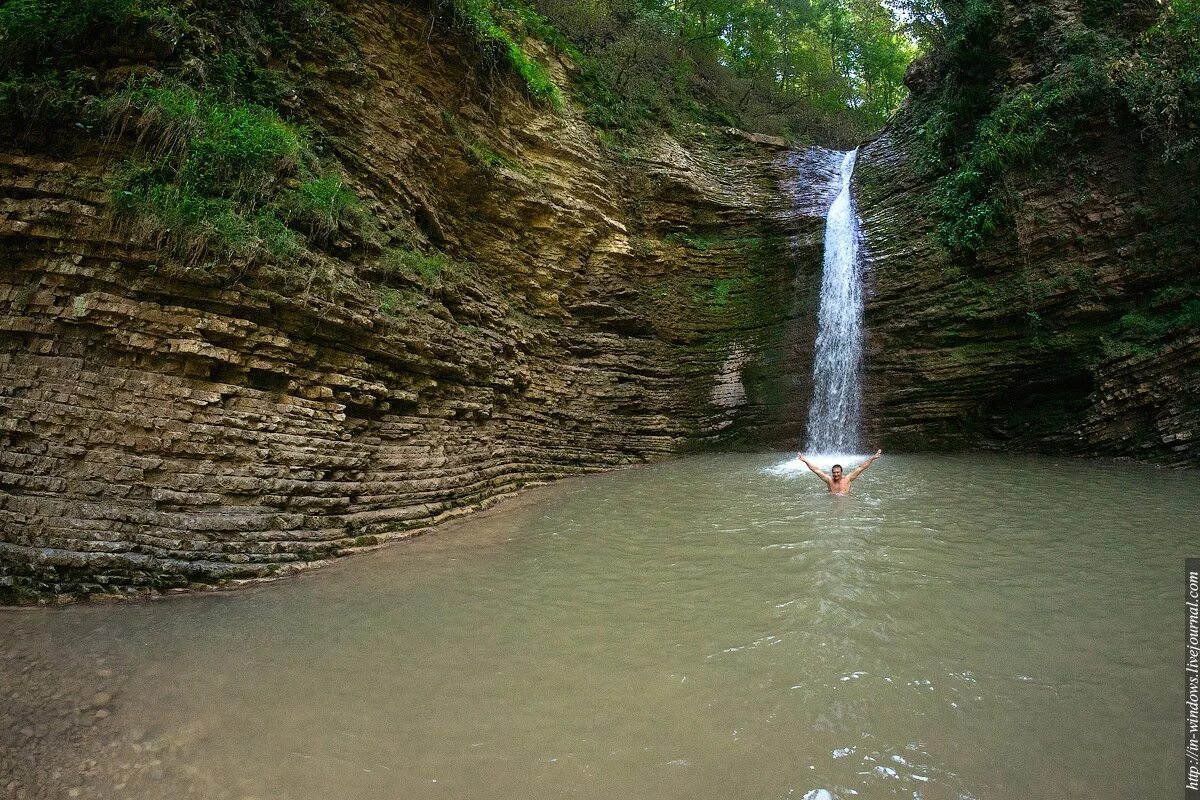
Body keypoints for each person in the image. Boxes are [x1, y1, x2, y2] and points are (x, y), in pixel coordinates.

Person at [797, 450, 882, 495]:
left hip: (845, 501)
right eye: (834, 472)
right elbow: (816, 470)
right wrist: (805, 460)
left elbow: (861, 467)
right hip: (831, 502)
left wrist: (872, 458)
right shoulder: (828, 479)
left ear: (841, 472)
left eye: (838, 472)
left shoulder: (848, 478)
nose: (836, 474)